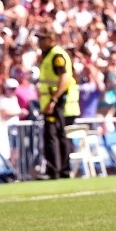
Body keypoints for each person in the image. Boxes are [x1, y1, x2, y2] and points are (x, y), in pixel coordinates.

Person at [35, 27, 79, 180]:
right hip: (52, 103)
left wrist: (53, 100)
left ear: (51, 39)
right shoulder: (48, 55)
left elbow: (64, 79)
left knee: (55, 136)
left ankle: (58, 170)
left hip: (58, 103)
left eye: (42, 39)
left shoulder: (57, 55)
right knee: (53, 136)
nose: (39, 42)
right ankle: (57, 169)